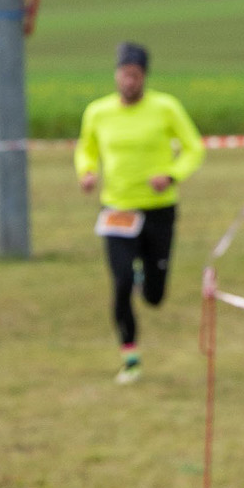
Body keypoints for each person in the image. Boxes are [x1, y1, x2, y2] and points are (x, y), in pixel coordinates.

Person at [75, 44, 205, 383]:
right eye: (124, 74)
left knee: (155, 296)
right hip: (117, 208)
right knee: (120, 282)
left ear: (144, 77)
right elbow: (86, 148)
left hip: (158, 210)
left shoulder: (165, 107)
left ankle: (144, 281)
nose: (129, 81)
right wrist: (87, 171)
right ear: (116, 75)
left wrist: (171, 175)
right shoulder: (98, 112)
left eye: (135, 75)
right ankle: (130, 358)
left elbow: (194, 148)